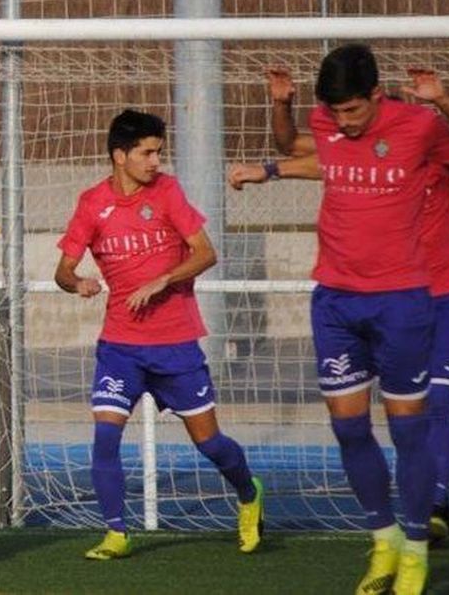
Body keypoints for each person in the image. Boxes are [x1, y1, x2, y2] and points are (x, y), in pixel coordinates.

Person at [230, 43, 449, 595]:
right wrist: (270, 166)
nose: (343, 123)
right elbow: (316, 152)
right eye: (336, 113)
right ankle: (384, 538)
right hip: (335, 300)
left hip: (403, 300)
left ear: (376, 96)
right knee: (348, 426)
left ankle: (418, 548)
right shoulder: (327, 123)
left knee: (409, 427)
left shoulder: (420, 126)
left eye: (354, 112)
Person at [55, 110, 264, 561]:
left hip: (175, 344)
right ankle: (116, 532)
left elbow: (206, 253)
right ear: (119, 155)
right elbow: (63, 271)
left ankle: (249, 493)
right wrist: (78, 283)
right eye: (146, 153)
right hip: (121, 346)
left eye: (158, 152)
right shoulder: (92, 203)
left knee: (210, 443)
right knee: (105, 438)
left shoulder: (167, 192)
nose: (155, 161)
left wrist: (163, 280)